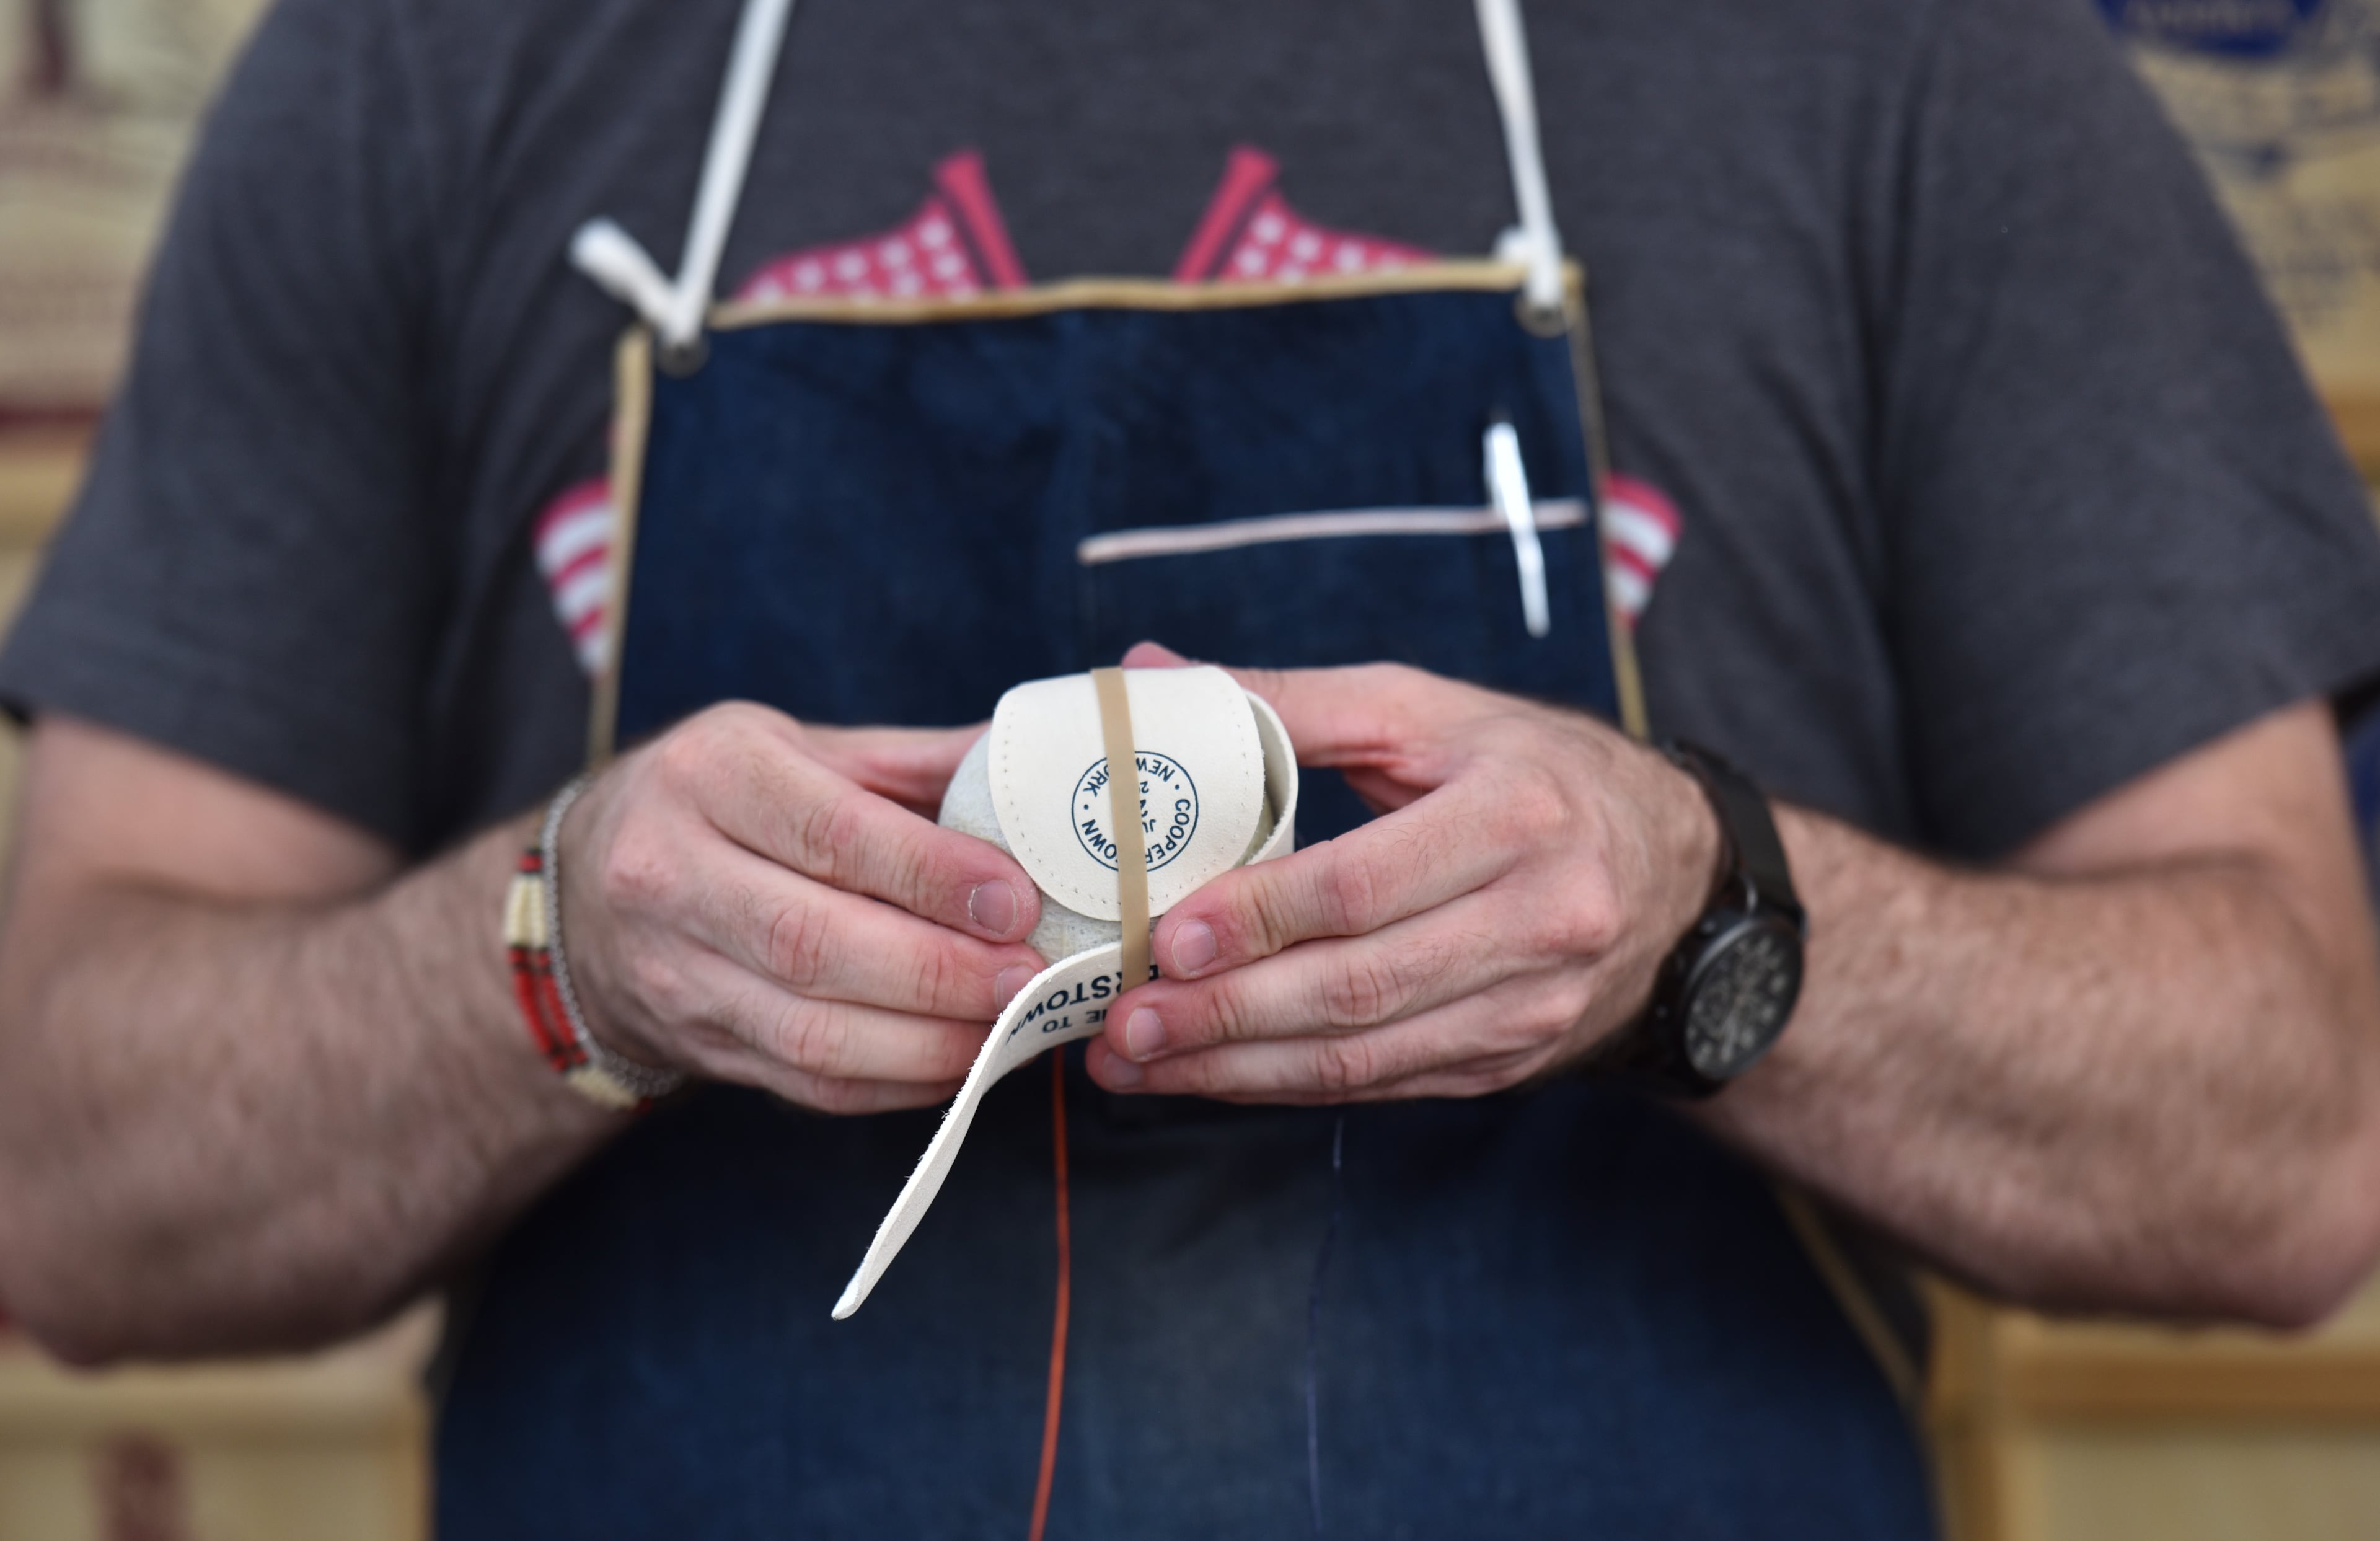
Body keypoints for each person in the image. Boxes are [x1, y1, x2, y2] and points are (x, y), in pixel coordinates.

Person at [3, 0, 2379, 1534]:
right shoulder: (430, 65)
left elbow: (2294, 1144)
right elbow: (68, 1183)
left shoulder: (1897, 64)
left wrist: (1711, 920)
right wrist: (556, 956)